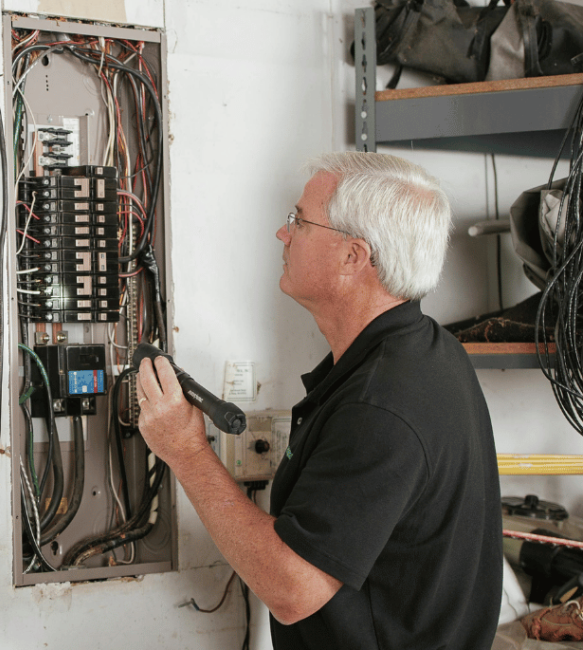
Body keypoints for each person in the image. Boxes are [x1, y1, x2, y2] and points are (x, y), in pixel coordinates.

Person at [137, 151, 502, 649]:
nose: (282, 234)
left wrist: (185, 449)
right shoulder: (430, 350)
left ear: (353, 256)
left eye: (299, 222)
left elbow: (293, 589)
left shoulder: (381, 406)